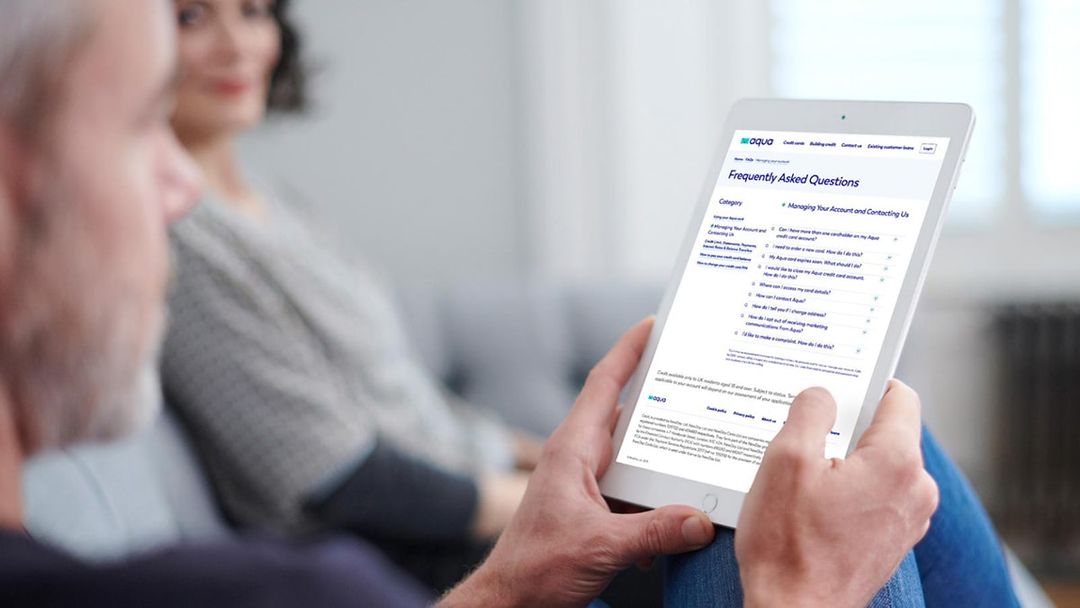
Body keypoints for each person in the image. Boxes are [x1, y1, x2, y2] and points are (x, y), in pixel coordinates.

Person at [0, 0, 1012, 606]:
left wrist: (523, 551)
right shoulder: (287, 583)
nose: (173, 184)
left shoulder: (286, 212)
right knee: (779, 503)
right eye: (139, 128)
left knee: (877, 450)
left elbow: (410, 400)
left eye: (254, 9)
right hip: (418, 531)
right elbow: (329, 470)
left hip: (485, 547)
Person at [160, 0, 534, 562]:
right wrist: (557, 505)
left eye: (253, 11)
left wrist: (564, 460)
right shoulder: (178, 240)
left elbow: (409, 402)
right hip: (415, 549)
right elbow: (341, 481)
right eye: (191, 17)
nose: (236, 46)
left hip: (474, 497)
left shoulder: (278, 203)